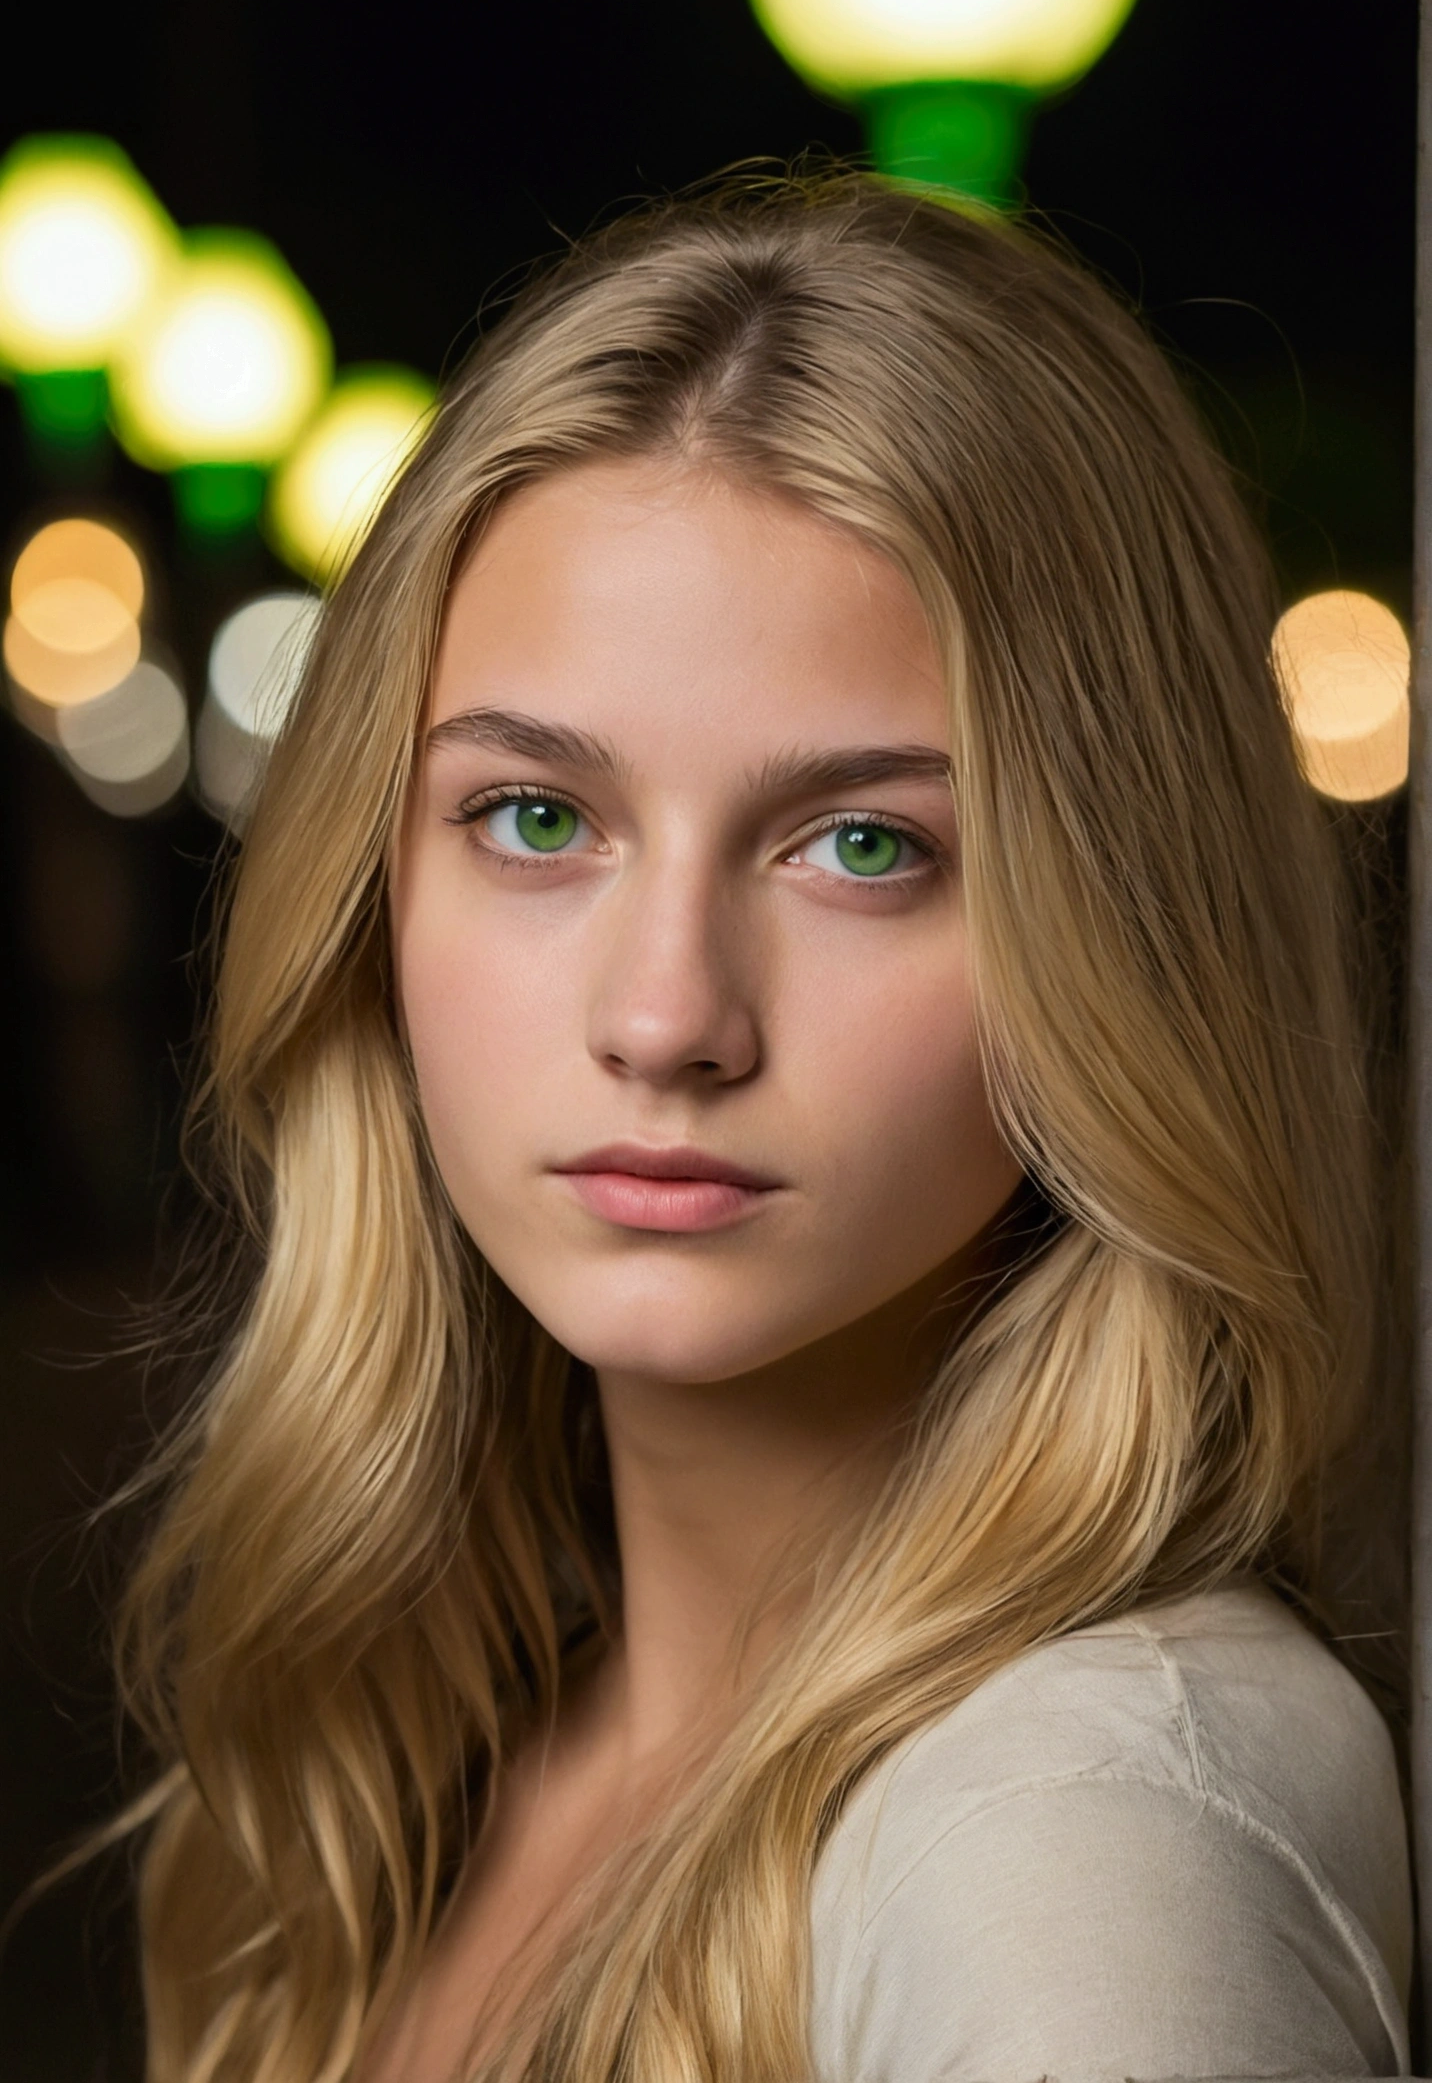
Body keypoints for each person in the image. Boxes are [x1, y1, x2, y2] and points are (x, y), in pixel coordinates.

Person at [113, 175, 1411, 2083]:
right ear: (369, 889)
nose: (665, 1020)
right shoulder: (455, 1751)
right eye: (537, 818)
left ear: (1126, 938)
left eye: (864, 846)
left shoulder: (1089, 1838)